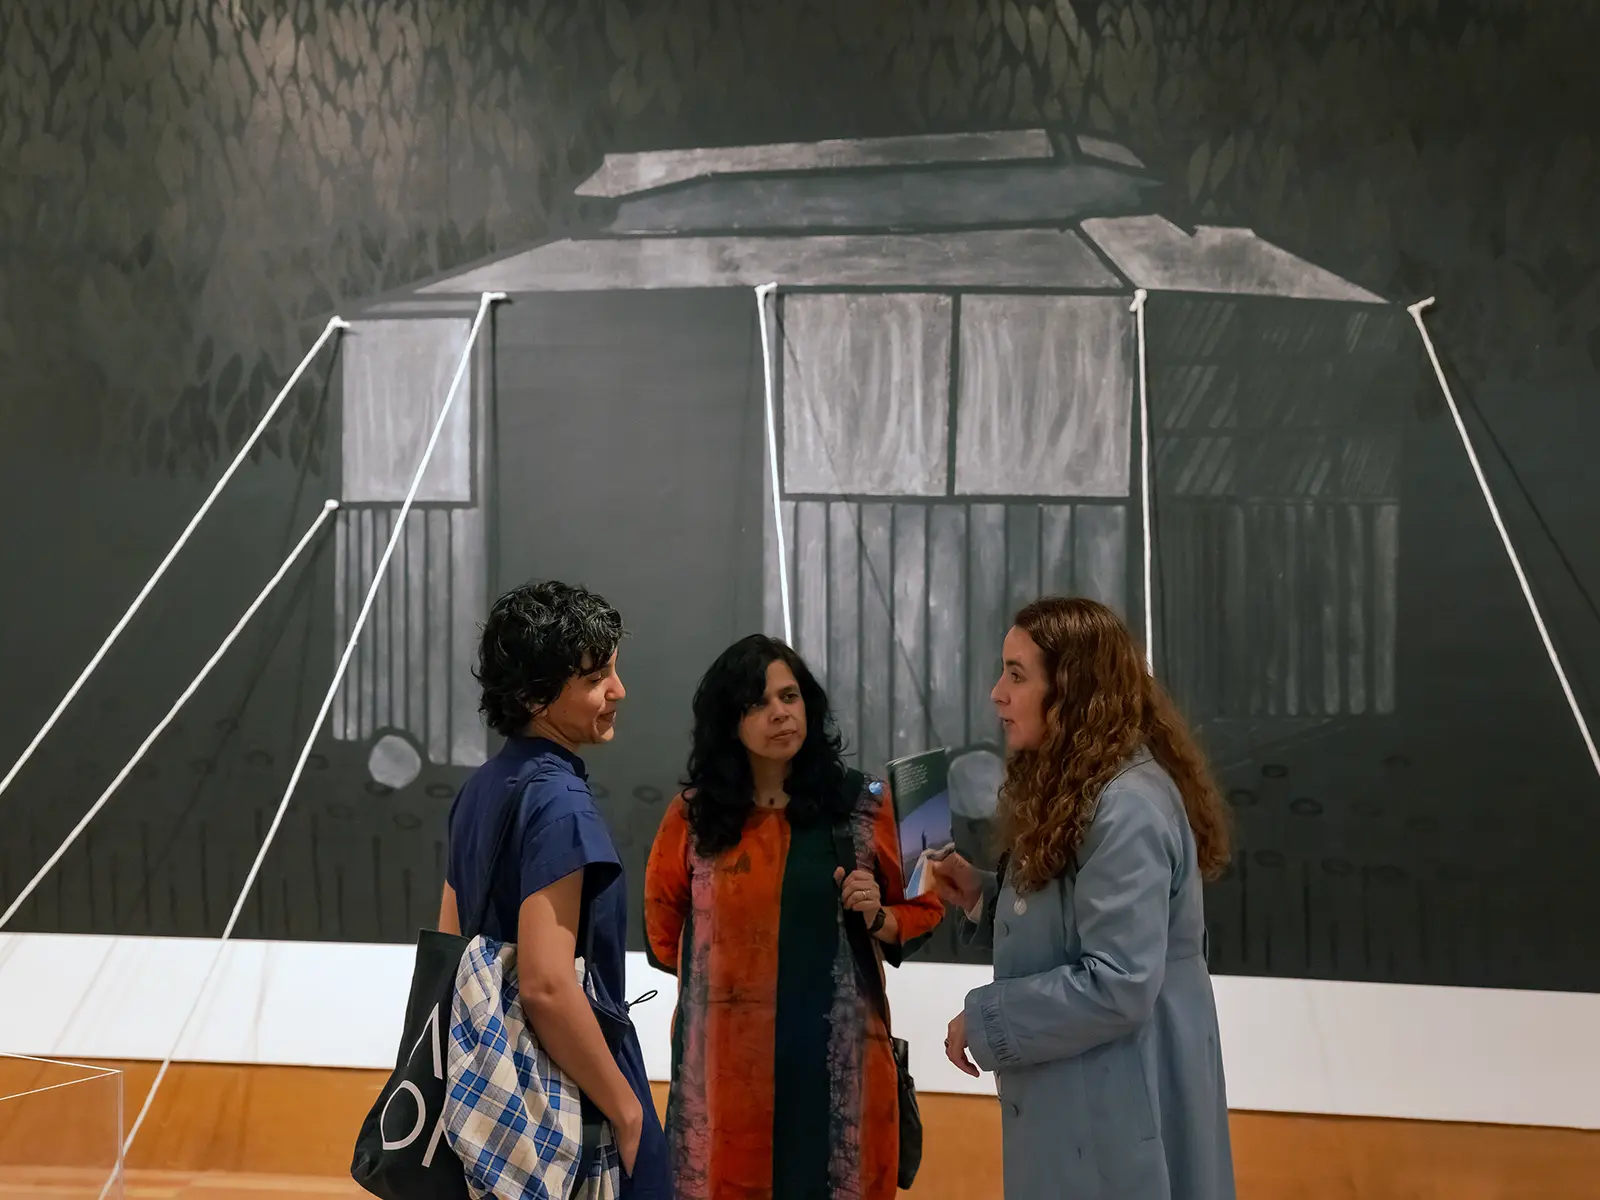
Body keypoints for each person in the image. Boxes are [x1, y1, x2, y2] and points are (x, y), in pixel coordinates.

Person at [931, 596, 1236, 1200]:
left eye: (1017, 675)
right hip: (1091, 1095)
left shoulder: (1126, 808)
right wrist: (981, 900)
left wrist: (987, 1019)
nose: (997, 693)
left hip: (1120, 1099)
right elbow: (1076, 921)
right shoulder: (1087, 786)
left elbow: (1119, 981)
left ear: (1072, 691)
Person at [643, 635, 944, 1200]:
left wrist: (877, 917)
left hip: (841, 1087)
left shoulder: (864, 803)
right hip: (723, 1094)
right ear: (727, 722)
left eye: (789, 695)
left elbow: (928, 904)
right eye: (757, 703)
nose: (780, 712)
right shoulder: (692, 817)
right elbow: (664, 936)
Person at [437, 581, 672, 1198]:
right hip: (566, 1097)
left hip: (493, 1096)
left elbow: (447, 944)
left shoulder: (482, 788)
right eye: (598, 678)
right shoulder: (560, 801)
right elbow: (546, 983)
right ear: (537, 695)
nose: (618, 691)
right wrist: (628, 1112)